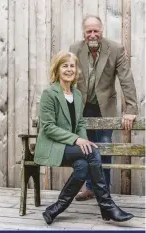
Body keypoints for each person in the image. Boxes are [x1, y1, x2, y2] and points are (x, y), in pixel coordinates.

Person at [34, 51, 134, 225]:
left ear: (76, 70)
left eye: (72, 66)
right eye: (64, 66)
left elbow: (80, 124)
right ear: (57, 69)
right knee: (93, 153)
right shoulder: (49, 94)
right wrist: (76, 140)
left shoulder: (78, 95)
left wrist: (83, 140)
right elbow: (48, 127)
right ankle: (107, 206)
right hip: (52, 145)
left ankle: (54, 209)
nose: (69, 69)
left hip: (69, 146)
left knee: (83, 166)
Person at [69, 15, 138, 201]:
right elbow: (66, 77)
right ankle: (91, 188)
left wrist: (131, 109)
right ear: (84, 33)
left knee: (105, 147)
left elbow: (126, 79)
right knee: (86, 149)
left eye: (96, 30)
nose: (93, 34)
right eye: (89, 31)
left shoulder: (115, 49)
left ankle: (104, 191)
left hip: (105, 107)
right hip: (82, 108)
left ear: (102, 30)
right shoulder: (75, 49)